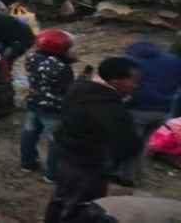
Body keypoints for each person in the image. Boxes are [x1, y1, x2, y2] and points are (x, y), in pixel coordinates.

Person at [45, 57, 143, 223]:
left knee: (61, 198)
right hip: (89, 165)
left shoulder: (79, 88)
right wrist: (112, 163)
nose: (136, 85)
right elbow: (129, 145)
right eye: (132, 81)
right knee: (81, 207)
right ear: (115, 81)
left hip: (66, 156)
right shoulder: (111, 108)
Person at [118, 40, 181, 185]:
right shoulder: (174, 61)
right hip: (164, 110)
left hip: (137, 110)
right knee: (145, 144)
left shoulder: (131, 62)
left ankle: (126, 176)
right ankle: (139, 176)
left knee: (130, 144)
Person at [20, 29, 75, 182]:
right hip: (53, 108)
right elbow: (67, 89)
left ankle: (27, 163)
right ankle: (52, 174)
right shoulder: (62, 68)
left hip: (34, 101)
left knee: (29, 133)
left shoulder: (32, 58)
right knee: (55, 140)